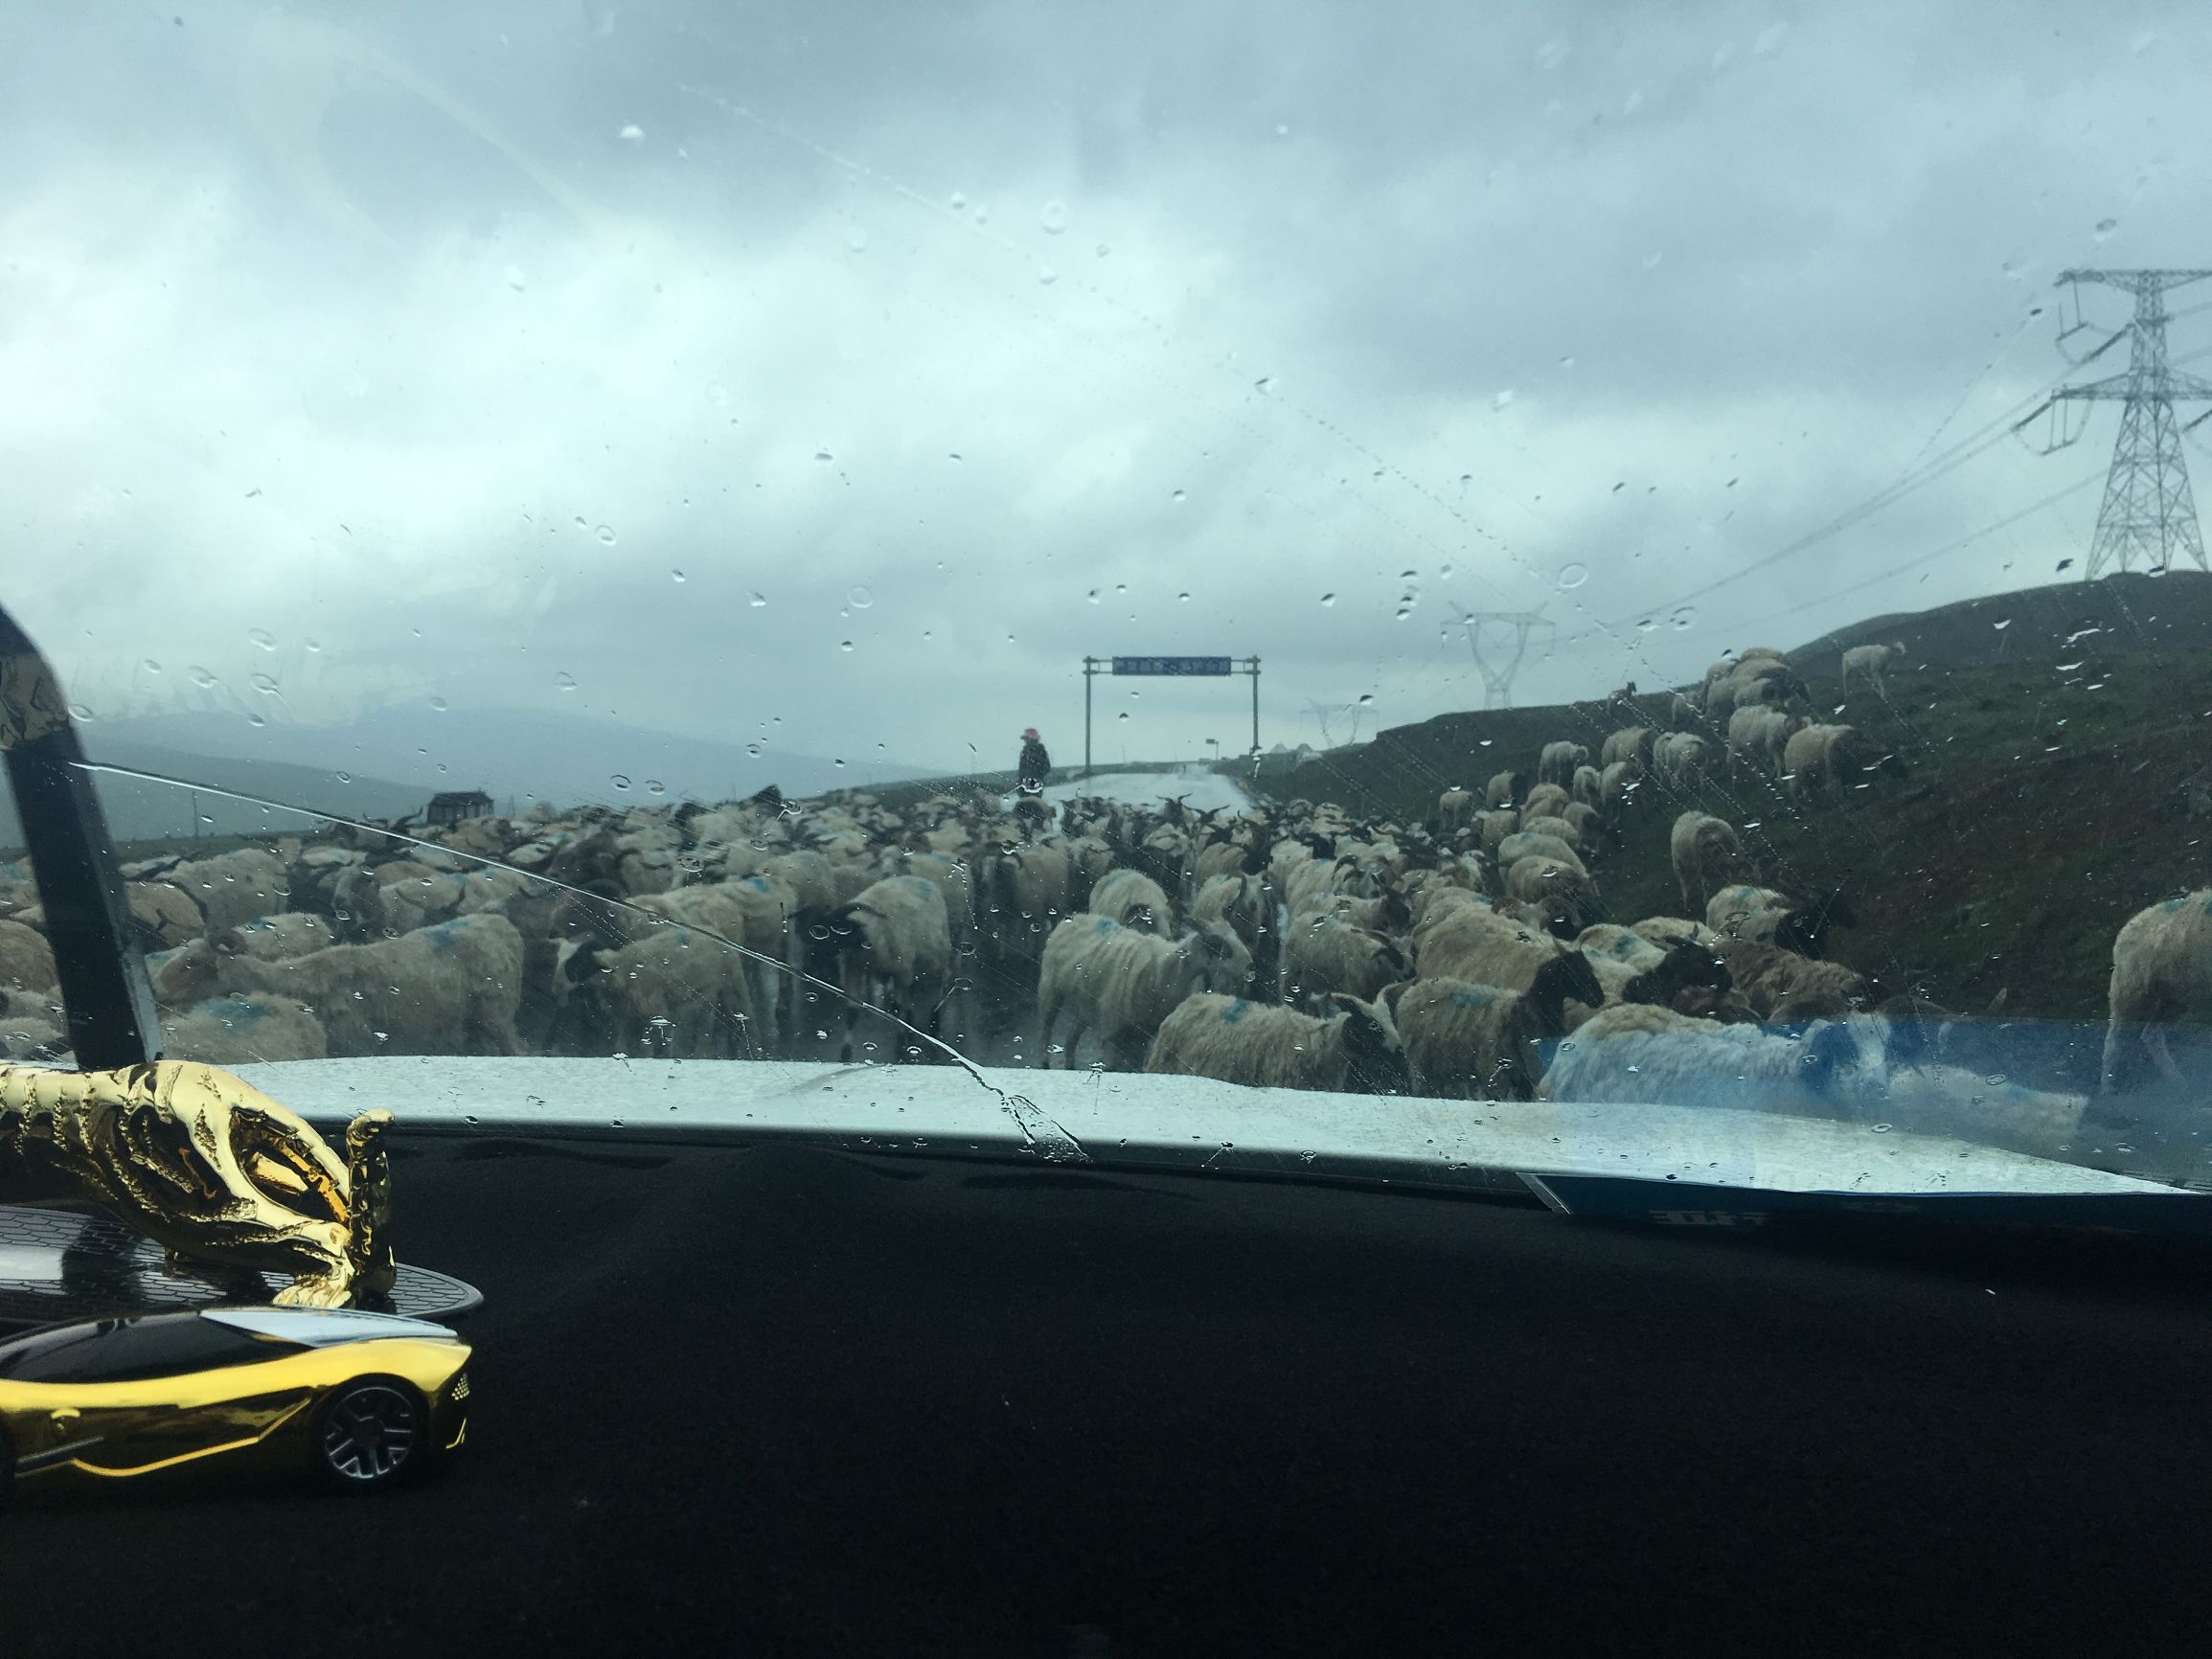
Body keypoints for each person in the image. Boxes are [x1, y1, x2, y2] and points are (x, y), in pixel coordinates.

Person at [1013, 727, 1051, 840]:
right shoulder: (1025, 751)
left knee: (1034, 806)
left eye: (1027, 739)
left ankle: (1036, 829)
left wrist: (1035, 776)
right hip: (1024, 784)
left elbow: (1046, 767)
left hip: (1035, 783)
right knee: (1024, 806)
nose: (1026, 741)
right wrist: (1020, 781)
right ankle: (1024, 831)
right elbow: (1021, 769)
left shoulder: (1040, 750)